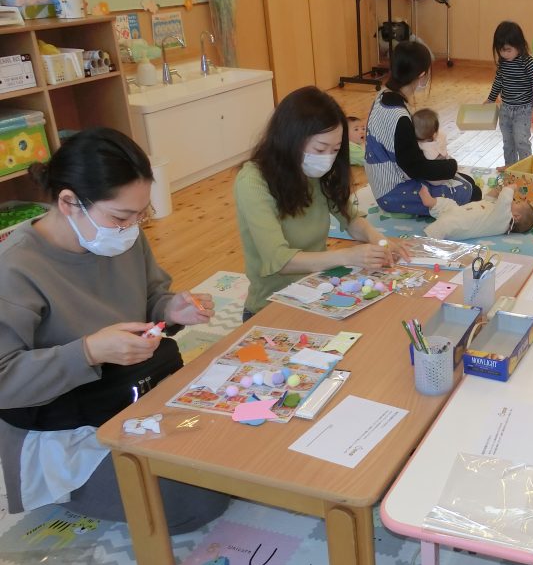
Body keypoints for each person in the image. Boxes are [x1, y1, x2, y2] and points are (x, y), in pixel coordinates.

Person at [0, 128, 230, 532]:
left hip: (132, 392)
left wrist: (171, 308)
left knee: (236, 444)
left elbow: (149, 298)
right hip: (65, 427)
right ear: (68, 202)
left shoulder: (119, 237)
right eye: (121, 217)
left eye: (141, 215)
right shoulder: (15, 268)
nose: (132, 226)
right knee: (197, 499)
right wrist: (88, 352)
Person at [235, 86, 407, 318]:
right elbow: (279, 261)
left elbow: (350, 217)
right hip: (270, 307)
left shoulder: (317, 171)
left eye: (335, 149)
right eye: (320, 148)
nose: (327, 158)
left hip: (318, 292)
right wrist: (348, 256)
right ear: (291, 139)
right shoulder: (253, 181)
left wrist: (380, 241)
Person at [365, 41, 478, 216]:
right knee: (471, 191)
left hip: (383, 182)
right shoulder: (400, 118)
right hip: (392, 192)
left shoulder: (381, 96)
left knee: (467, 180)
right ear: (422, 74)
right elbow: (415, 167)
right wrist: (450, 166)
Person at [486, 20, 533, 168]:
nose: (504, 54)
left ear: (519, 45)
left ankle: (525, 168)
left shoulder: (528, 62)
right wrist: (491, 98)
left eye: (508, 50)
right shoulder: (503, 63)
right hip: (505, 109)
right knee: (508, 141)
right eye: (501, 50)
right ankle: (510, 166)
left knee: (521, 140)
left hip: (523, 110)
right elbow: (498, 81)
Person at [419, 177, 533, 241]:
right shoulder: (499, 214)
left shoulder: (504, 221)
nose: (514, 200)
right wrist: (495, 192)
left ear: (516, 217)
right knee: (449, 205)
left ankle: (427, 240)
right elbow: (488, 200)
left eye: (518, 203)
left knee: (446, 223)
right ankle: (431, 202)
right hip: (460, 212)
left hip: (461, 224)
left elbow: (505, 198)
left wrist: (512, 187)